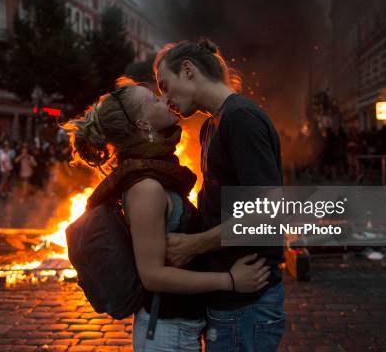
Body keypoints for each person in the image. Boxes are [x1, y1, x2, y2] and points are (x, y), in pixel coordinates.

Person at [66, 79, 270, 351]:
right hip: (165, 334)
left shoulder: (157, 175)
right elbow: (152, 276)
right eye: (153, 100)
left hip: (179, 330)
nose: (163, 99)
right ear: (143, 124)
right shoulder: (146, 188)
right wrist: (230, 281)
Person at [154, 39, 285, 351]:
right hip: (231, 298)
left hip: (247, 302)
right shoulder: (211, 125)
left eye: (164, 85)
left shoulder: (241, 118)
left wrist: (195, 244)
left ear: (188, 70)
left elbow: (269, 209)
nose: (165, 98)